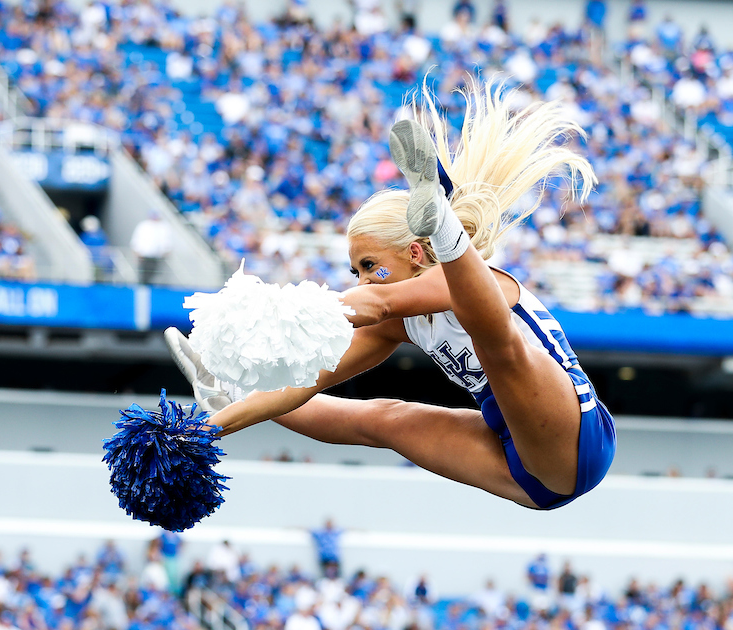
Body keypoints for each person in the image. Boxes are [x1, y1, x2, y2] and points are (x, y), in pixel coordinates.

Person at [168, 82, 616, 510]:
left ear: (416, 252)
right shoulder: (396, 320)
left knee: (497, 340)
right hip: (524, 471)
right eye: (355, 271)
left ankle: (443, 223)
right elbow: (305, 384)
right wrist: (209, 426)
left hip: (572, 435)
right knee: (381, 420)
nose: (363, 280)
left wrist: (274, 312)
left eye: (368, 266)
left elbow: (377, 303)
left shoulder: (473, 283)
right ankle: (228, 392)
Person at [130, 210, 172, 284]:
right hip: (144, 256)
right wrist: (137, 253)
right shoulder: (143, 225)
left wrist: (165, 252)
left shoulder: (163, 226)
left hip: (157, 257)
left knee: (155, 275)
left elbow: (166, 242)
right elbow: (137, 240)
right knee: (143, 275)